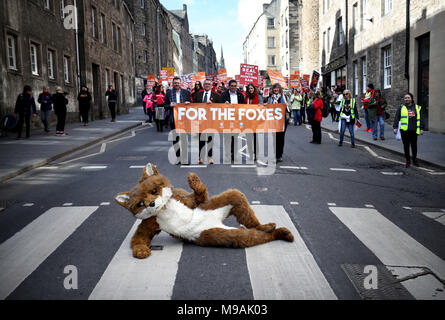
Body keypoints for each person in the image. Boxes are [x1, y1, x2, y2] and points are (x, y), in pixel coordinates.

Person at [164, 77, 192, 164]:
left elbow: (191, 103)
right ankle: (178, 157)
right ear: (173, 84)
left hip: (184, 119)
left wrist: (189, 103)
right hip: (173, 119)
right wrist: (170, 105)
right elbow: (165, 105)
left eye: (178, 83)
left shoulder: (186, 93)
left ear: (181, 83)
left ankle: (185, 158)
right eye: (175, 83)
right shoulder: (168, 93)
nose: (176, 84)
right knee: (175, 139)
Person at [393, 93, 425, 168]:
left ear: (411, 98)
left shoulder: (417, 107)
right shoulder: (401, 107)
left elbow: (421, 119)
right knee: (406, 146)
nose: (406, 99)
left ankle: (414, 160)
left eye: (408, 97)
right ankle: (408, 160)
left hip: (414, 130)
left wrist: (422, 128)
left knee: (414, 146)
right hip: (404, 130)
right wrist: (395, 127)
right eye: (405, 98)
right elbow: (396, 118)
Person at [195, 79, 222, 164]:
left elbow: (220, 107)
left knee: (210, 139)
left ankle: (210, 157)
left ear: (211, 86)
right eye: (205, 84)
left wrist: (212, 104)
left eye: (208, 84)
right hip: (201, 120)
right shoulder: (198, 95)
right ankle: (201, 157)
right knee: (201, 139)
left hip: (211, 120)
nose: (207, 85)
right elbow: (194, 106)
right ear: (203, 85)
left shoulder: (216, 96)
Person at [221, 79, 246, 161]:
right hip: (227, 119)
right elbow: (219, 106)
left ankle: (234, 155)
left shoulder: (240, 95)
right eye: (232, 86)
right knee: (227, 138)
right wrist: (224, 104)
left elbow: (244, 106)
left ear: (237, 86)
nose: (233, 87)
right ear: (229, 86)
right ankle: (228, 155)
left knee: (235, 138)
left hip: (237, 120)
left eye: (235, 86)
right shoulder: (224, 95)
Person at [266, 83, 289, 162]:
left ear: (280, 89)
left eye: (277, 88)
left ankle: (279, 155)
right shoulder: (270, 98)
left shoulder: (284, 97)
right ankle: (275, 154)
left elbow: (290, 108)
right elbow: (268, 107)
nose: (276, 90)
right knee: (274, 138)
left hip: (282, 121)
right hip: (273, 121)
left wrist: (287, 105)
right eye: (274, 88)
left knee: (281, 138)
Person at [245, 83, 263, 161]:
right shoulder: (246, 97)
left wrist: (260, 105)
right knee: (249, 138)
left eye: (252, 88)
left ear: (254, 89)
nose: (250, 90)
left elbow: (262, 106)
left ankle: (256, 154)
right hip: (248, 121)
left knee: (255, 138)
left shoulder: (258, 97)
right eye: (249, 89)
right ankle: (251, 154)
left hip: (256, 121)